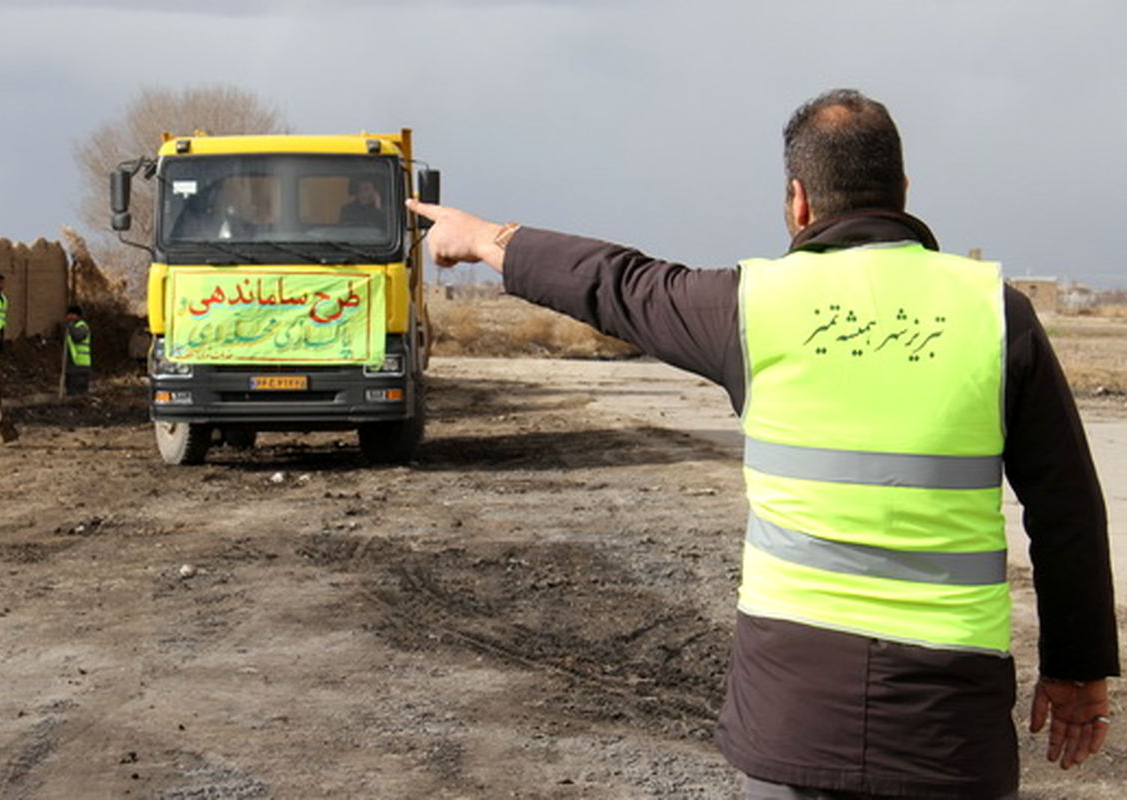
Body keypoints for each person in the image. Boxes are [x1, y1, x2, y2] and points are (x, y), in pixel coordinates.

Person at [406, 89, 1119, 799]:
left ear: (799, 201)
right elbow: (1068, 512)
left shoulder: (750, 307)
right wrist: (1077, 669)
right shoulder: (997, 313)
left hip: (794, 722)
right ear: (902, 191)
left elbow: (615, 283)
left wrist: (484, 238)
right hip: (947, 732)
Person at [64, 305, 91, 397]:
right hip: (73, 365)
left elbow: (77, 336)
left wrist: (70, 325)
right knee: (71, 391)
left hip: (80, 365)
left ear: (75, 315)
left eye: (70, 315)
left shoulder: (82, 326)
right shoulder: (72, 327)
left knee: (78, 393)